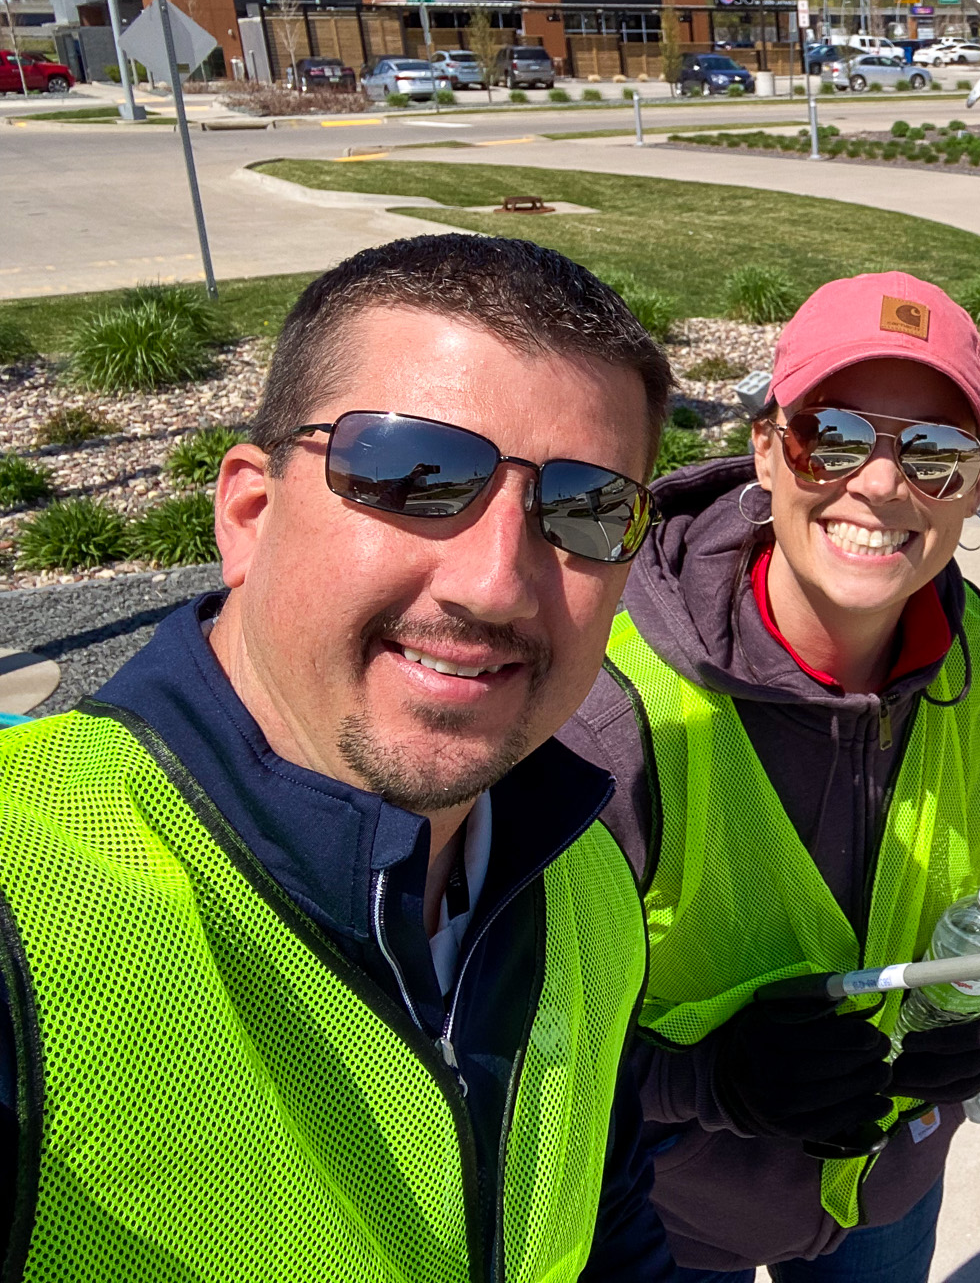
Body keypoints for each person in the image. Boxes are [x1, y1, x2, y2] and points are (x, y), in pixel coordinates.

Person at [0, 235, 685, 1280]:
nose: (497, 583)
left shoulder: (580, 877)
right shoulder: (25, 888)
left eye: (584, 509)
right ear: (247, 512)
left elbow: (609, 1221)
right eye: (414, 475)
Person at [562, 271, 980, 1281]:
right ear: (767, 450)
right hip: (681, 1216)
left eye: (937, 454)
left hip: (884, 1194)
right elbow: (522, 1028)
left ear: (975, 487)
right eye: (834, 436)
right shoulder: (612, 703)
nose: (880, 484)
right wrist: (711, 1083)